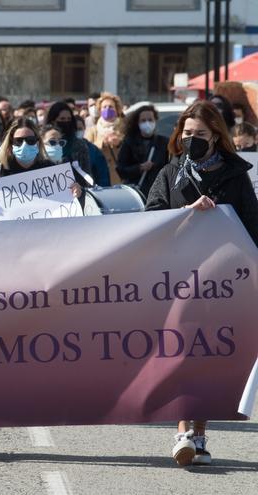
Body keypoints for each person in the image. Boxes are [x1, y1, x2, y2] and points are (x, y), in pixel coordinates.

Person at [145, 100, 258, 467]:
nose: (192, 140)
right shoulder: (169, 172)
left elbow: (252, 226)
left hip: (221, 281)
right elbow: (150, 218)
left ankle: (200, 434)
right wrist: (185, 214)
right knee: (181, 352)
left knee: (209, 355)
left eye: (201, 135)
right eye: (187, 134)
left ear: (216, 137)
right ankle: (183, 431)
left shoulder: (235, 175)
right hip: (176, 278)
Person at [117, 104, 169, 197]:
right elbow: (121, 169)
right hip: (136, 194)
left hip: (158, 193)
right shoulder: (129, 142)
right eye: (143, 120)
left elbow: (169, 167)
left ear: (155, 121)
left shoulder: (164, 142)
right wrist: (139, 168)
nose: (147, 123)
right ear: (137, 123)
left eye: (150, 120)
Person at [45, 101, 93, 178]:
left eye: (69, 119)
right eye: (62, 119)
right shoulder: (43, 143)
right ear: (53, 121)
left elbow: (86, 172)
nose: (66, 122)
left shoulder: (80, 145)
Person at [84, 92, 124, 184]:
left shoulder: (124, 128)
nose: (107, 109)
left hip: (119, 178)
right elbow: (86, 150)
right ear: (100, 110)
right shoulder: (92, 130)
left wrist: (119, 143)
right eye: (104, 107)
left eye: (111, 107)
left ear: (117, 110)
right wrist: (102, 143)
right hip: (99, 176)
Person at [75, 116, 111, 187]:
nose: (77, 132)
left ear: (84, 128)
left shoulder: (93, 150)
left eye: (79, 129)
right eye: (74, 129)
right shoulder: (63, 150)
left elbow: (103, 176)